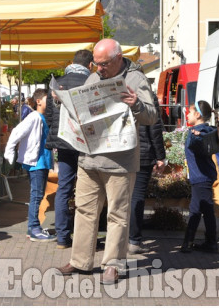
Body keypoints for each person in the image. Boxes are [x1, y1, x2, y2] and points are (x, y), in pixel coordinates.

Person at [57, 39, 157, 285]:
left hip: (120, 162)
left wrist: (138, 105)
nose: (98, 68)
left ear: (118, 58)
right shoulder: (92, 79)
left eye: (103, 64)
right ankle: (80, 261)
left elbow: (152, 116)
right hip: (89, 158)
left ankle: (113, 264)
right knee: (84, 210)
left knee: (117, 214)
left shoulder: (135, 80)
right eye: (96, 64)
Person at [45, 49, 92, 249]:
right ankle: (84, 238)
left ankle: (63, 238)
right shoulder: (91, 83)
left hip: (63, 143)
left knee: (64, 188)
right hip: (86, 143)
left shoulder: (56, 84)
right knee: (88, 189)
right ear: (90, 65)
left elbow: (49, 117)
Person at [4, 88, 55, 242]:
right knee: (37, 194)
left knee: (38, 194)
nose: (51, 103)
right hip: (36, 163)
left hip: (43, 162)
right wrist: (10, 151)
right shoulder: (34, 117)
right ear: (38, 101)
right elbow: (16, 132)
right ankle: (34, 228)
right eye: (48, 99)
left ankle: (32, 227)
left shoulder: (44, 117)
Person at [180, 100, 219, 254]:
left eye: (189, 112)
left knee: (201, 210)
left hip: (200, 177)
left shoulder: (198, 132)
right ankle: (202, 242)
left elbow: (199, 144)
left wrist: (196, 137)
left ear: (197, 115)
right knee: (199, 209)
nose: (187, 114)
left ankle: (199, 243)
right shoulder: (208, 129)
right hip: (203, 176)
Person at [128, 93, 166, 254]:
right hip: (143, 153)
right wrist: (160, 156)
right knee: (136, 196)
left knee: (120, 197)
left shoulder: (116, 90)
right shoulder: (147, 96)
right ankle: (133, 241)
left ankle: (120, 238)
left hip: (120, 152)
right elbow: (154, 128)